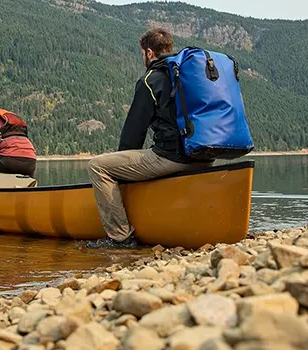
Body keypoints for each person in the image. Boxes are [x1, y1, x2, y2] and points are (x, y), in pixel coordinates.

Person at [85, 28, 213, 249]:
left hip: (171, 157)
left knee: (98, 166)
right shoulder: (188, 76)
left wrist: (123, 168)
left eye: (143, 53)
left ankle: (120, 237)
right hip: (204, 154)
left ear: (150, 53)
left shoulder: (150, 80)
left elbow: (134, 132)